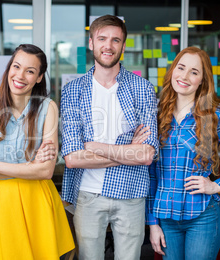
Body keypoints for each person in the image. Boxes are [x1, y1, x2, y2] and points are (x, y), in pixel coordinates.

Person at [60, 14, 158, 260]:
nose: (108, 45)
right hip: (88, 195)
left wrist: (93, 147)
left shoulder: (142, 88)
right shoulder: (73, 90)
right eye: (102, 38)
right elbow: (72, 158)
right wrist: (127, 152)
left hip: (132, 193)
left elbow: (146, 155)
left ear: (123, 47)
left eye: (116, 40)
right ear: (91, 42)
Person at [147, 47, 220, 260]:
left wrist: (217, 185)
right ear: (172, 71)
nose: (185, 76)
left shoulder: (214, 115)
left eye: (194, 72)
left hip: (203, 216)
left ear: (202, 80)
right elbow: (151, 174)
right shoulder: (157, 114)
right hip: (166, 218)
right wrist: (152, 223)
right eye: (181, 68)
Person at [0, 44, 75, 259]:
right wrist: (31, 168)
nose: (21, 75)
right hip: (3, 203)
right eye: (16, 67)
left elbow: (45, 172)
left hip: (38, 202)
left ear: (39, 77)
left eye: (30, 71)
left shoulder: (48, 108)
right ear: (9, 69)